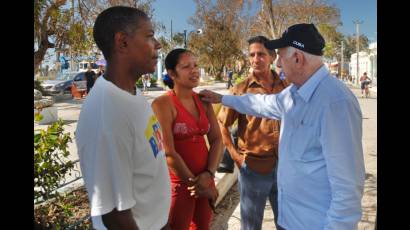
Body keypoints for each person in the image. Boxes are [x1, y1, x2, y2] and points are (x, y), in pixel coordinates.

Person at [199, 23, 365, 230]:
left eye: (280, 55)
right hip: (291, 219)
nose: (277, 61)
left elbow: (348, 187)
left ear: (298, 58)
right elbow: (260, 104)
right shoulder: (294, 93)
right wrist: (223, 98)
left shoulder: (335, 102)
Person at [75, 6, 171, 230]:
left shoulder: (132, 94)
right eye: (149, 36)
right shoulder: (107, 114)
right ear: (122, 42)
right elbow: (115, 216)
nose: (158, 44)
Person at [218, 35, 288, 230]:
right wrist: (236, 157)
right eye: (252, 55)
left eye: (261, 54)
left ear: (273, 57)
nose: (256, 59)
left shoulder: (286, 87)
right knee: (251, 226)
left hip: (285, 168)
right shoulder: (240, 90)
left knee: (287, 222)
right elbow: (222, 124)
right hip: (253, 169)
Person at [151, 48, 223, 230]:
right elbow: (168, 152)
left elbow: (216, 140)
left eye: (196, 65)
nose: (194, 70)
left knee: (203, 227)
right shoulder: (162, 104)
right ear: (172, 73)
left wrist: (209, 175)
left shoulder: (203, 100)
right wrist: (195, 184)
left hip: (206, 180)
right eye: (186, 67)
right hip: (180, 185)